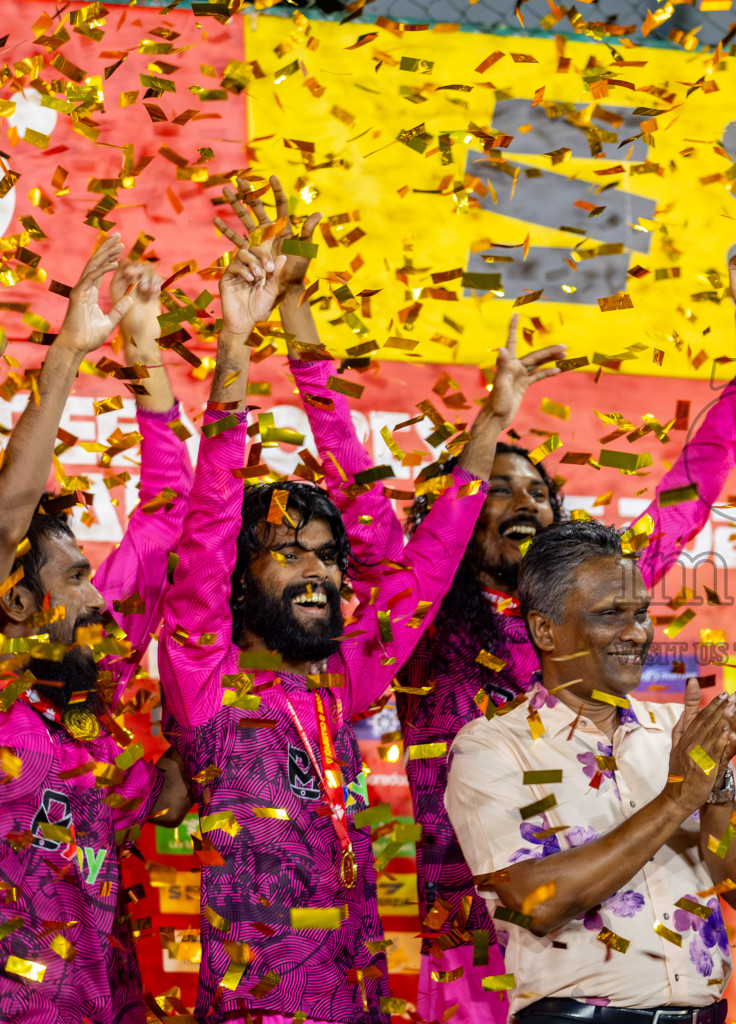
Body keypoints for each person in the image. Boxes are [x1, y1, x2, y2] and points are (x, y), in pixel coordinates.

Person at [158, 190, 557, 1020]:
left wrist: (490, 423)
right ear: (236, 580)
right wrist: (236, 341)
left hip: (363, 999)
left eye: (328, 556)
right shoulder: (203, 674)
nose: (317, 571)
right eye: (287, 551)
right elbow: (209, 513)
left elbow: (433, 552)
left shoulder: (343, 679)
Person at [394, 253, 736, 1015]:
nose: (525, 502)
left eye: (539, 491)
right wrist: (493, 419)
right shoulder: (420, 625)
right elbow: (428, 541)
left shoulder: (606, 614)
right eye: (495, 490)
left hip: (653, 963)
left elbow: (690, 491)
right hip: (479, 940)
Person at [444, 519, 736, 1023]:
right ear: (545, 630)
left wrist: (717, 789)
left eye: (641, 613)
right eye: (610, 614)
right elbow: (534, 901)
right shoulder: (490, 746)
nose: (637, 632)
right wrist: (678, 797)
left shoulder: (675, 732)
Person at [0, 240, 194, 1021]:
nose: (99, 599)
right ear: (15, 605)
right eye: (75, 577)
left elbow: (170, 512)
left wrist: (145, 351)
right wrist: (69, 357)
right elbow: (11, 515)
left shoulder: (98, 710)